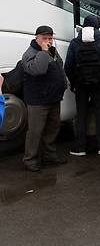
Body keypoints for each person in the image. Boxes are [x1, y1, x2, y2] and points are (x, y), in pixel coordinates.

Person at [64, 15, 100, 156]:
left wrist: (74, 81)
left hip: (80, 85)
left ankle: (80, 147)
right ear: (97, 27)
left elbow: (68, 66)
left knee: (81, 115)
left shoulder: (74, 43)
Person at [22, 25, 68, 172]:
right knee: (35, 132)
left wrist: (64, 82)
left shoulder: (51, 50)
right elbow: (38, 70)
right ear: (37, 38)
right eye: (44, 38)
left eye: (50, 38)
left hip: (53, 98)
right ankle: (30, 160)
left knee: (52, 129)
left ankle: (49, 156)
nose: (48, 41)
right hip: (38, 100)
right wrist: (43, 51)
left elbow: (59, 66)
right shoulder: (30, 53)